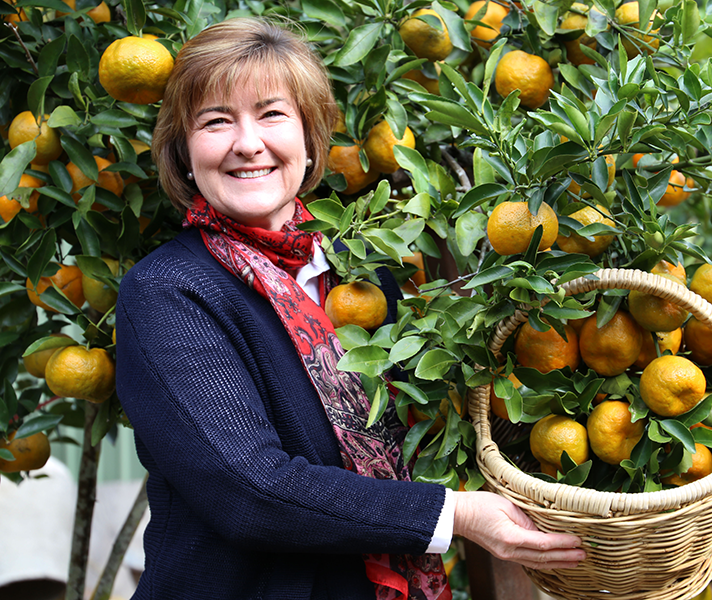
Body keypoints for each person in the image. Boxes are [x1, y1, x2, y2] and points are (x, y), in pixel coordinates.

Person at [116, 17, 585, 600]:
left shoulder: (362, 272)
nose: (247, 143)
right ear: (184, 152)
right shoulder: (167, 292)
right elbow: (251, 491)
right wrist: (455, 514)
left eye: (271, 114)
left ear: (311, 140)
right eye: (215, 121)